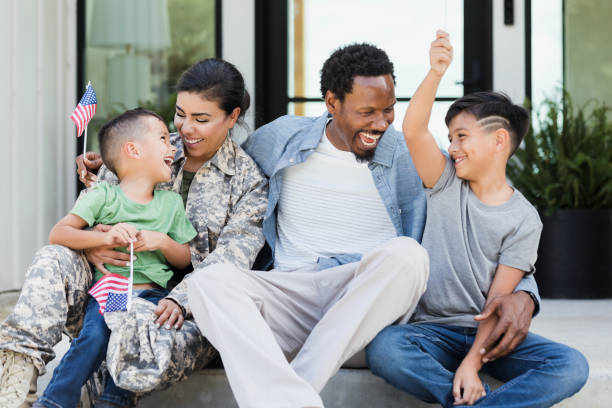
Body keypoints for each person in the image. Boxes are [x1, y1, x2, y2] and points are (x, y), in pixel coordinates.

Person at [184, 41, 544, 408]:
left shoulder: (409, 155)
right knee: (208, 282)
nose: (381, 123)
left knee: (408, 255)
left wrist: (524, 291)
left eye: (388, 110)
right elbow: (227, 178)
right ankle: (294, 400)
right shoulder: (280, 138)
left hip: (371, 307)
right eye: (367, 111)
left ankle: (286, 397)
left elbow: (482, 220)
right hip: (292, 295)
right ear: (331, 102)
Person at [0, 58, 268, 407]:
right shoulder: (144, 144)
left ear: (232, 117)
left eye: (201, 119)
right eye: (180, 113)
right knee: (54, 258)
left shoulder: (249, 184)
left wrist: (180, 299)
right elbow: (94, 213)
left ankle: (102, 398)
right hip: (112, 286)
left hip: (179, 311)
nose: (185, 128)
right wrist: (95, 243)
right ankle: (16, 386)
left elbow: (231, 261)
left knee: (133, 330)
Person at [365, 31, 589, 407]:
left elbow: (499, 301)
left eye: (461, 136)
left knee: (571, 366)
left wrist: (473, 362)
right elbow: (414, 129)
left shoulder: (524, 219)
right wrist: (436, 72)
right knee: (386, 349)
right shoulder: (444, 181)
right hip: (430, 332)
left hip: (492, 337)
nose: (452, 147)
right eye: (451, 137)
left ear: (499, 140)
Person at [32, 108, 197, 408]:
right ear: (133, 149)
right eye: (162, 138)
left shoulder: (170, 203)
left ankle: (113, 402)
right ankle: (55, 401)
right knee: (95, 336)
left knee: (133, 343)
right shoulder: (103, 196)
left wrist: (161, 241)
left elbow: (185, 259)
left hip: (152, 297)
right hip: (114, 290)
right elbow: (59, 233)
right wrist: (105, 237)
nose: (172, 146)